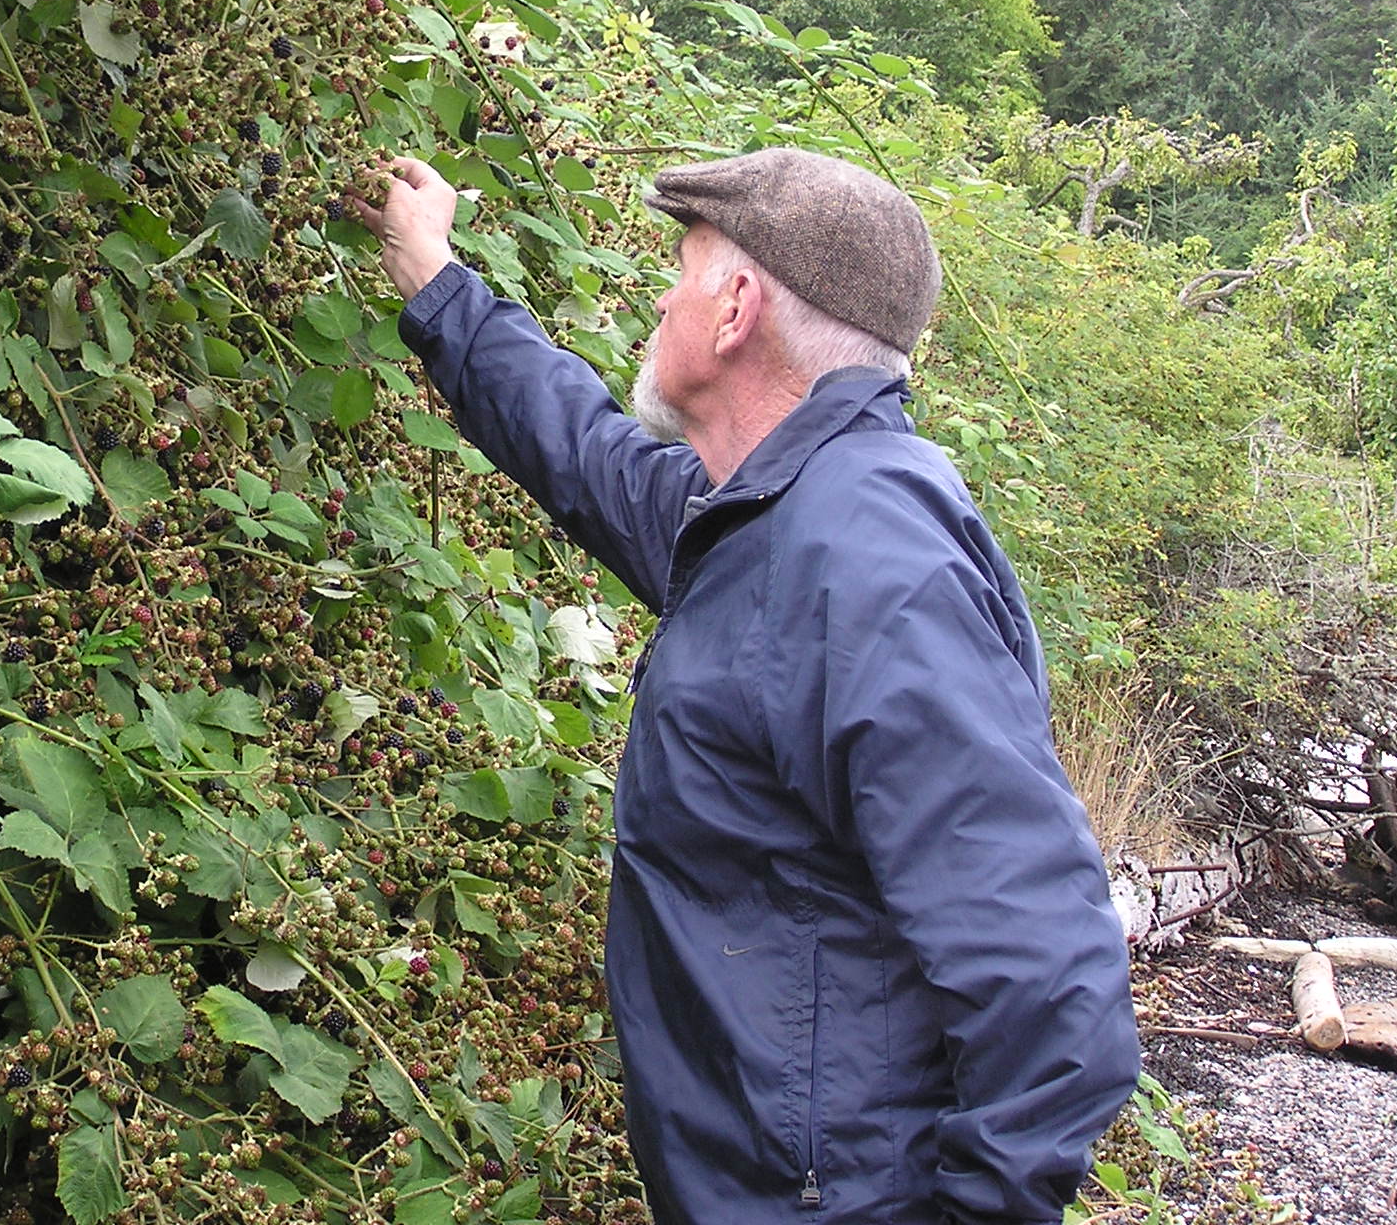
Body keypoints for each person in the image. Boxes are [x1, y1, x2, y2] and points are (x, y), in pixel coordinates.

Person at [346, 148, 1139, 1225]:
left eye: (680, 267)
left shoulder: (866, 566)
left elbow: (1046, 983)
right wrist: (436, 280)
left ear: (732, 308)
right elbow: (588, 453)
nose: (660, 295)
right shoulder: (773, 516)